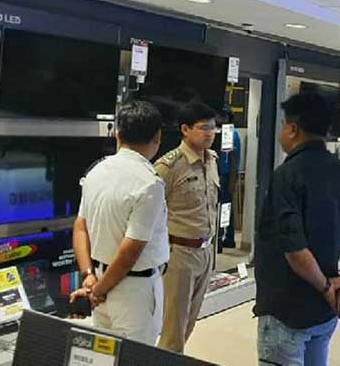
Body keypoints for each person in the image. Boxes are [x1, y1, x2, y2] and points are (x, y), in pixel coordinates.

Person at [254, 92, 340, 366]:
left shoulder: (287, 176)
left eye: (283, 125)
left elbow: (294, 249)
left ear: (292, 129)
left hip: (287, 311)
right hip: (325, 312)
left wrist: (326, 287)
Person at [71, 101, 169, 345]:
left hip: (99, 280)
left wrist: (89, 276)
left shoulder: (96, 171)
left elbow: (80, 227)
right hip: (134, 291)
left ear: (118, 134)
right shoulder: (149, 183)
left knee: (104, 354)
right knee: (136, 356)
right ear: (158, 137)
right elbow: (130, 251)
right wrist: (100, 289)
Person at [155, 101, 220, 352]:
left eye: (213, 128)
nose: (210, 133)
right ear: (185, 129)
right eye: (204, 128)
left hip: (205, 252)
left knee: (188, 324)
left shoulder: (212, 160)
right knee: (173, 328)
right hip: (179, 255)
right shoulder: (169, 166)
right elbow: (149, 211)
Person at [218, 106, 241, 250]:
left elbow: (233, 159)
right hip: (223, 174)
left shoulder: (230, 133)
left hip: (225, 175)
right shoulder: (224, 132)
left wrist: (233, 180)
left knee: (224, 207)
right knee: (226, 207)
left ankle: (223, 237)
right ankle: (227, 236)